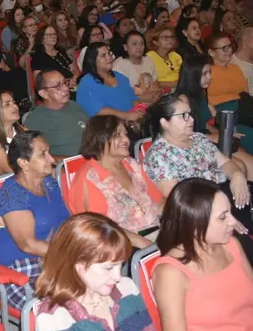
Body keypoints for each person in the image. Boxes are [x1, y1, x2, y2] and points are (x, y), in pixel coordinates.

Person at [34, 214, 171, 331]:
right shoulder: (55, 320)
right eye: (108, 268)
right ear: (77, 265)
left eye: (121, 264)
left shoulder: (127, 290)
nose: (118, 276)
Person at [153, 178, 253, 331]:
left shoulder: (231, 245)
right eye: (223, 217)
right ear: (195, 222)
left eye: (230, 213)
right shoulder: (171, 272)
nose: (233, 221)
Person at [144, 94, 253, 263]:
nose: (191, 120)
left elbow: (225, 163)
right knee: (240, 240)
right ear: (164, 123)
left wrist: (238, 175)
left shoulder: (198, 139)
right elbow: (182, 201)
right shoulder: (159, 156)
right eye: (183, 116)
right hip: (205, 208)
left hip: (228, 191)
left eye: (190, 114)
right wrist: (223, 215)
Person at [0, 131, 70, 310]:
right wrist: (72, 254)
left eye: (49, 152)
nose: (52, 159)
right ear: (23, 163)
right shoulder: (13, 194)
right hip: (19, 272)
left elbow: (66, 221)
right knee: (65, 307)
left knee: (97, 284)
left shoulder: (48, 182)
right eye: (43, 154)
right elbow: (28, 244)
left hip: (52, 261)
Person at [68, 116, 162, 247]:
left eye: (125, 134)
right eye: (117, 135)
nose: (126, 140)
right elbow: (99, 228)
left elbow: (158, 201)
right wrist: (142, 243)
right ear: (100, 139)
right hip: (118, 246)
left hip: (154, 234)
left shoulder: (129, 163)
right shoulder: (89, 178)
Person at [24, 70, 89, 159]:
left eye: (65, 82)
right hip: (66, 167)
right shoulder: (35, 120)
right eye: (58, 86)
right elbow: (32, 156)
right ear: (44, 93)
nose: (66, 88)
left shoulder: (74, 105)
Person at [77, 42, 143, 120]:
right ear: (92, 60)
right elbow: (98, 111)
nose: (109, 58)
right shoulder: (86, 82)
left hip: (130, 121)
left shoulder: (121, 77)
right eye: (103, 55)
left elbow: (134, 99)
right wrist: (128, 116)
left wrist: (139, 110)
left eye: (109, 54)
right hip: (105, 127)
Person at [112, 30, 161, 105]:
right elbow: (120, 94)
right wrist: (144, 98)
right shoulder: (118, 65)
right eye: (134, 44)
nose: (139, 47)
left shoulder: (148, 60)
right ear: (125, 47)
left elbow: (155, 83)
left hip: (152, 101)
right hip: (131, 105)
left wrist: (155, 95)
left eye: (142, 44)